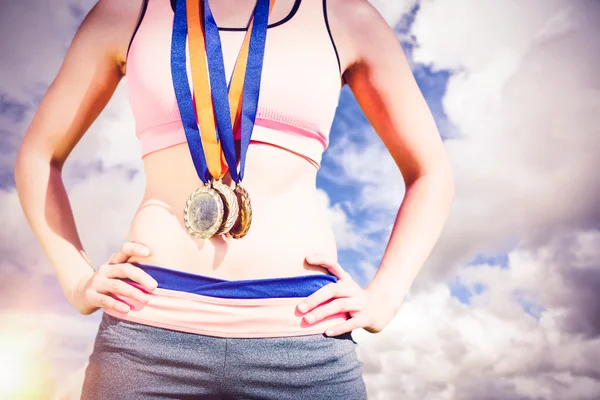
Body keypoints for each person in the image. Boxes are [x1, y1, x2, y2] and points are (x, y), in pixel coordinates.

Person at [14, 0, 454, 398]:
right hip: (146, 336)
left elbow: (431, 172)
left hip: (304, 338)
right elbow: (38, 156)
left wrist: (385, 297)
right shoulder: (127, 12)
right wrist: (77, 282)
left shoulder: (345, 16)